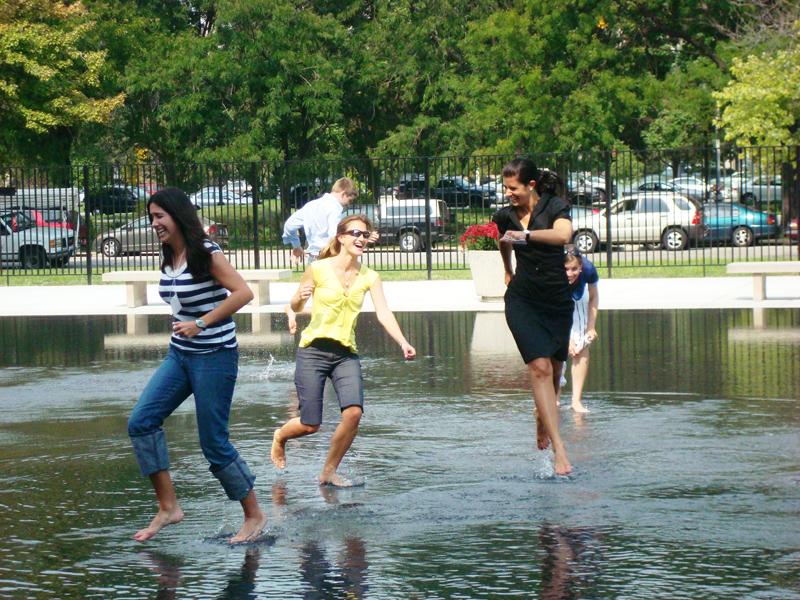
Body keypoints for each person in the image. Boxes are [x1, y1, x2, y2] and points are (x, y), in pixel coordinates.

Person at [127, 187, 266, 543]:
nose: (154, 223)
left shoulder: (206, 251)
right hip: (180, 355)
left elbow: (243, 293)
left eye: (159, 216)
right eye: (151, 217)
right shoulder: (169, 255)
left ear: (178, 216)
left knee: (213, 443)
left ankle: (253, 515)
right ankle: (169, 507)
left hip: (214, 356)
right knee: (142, 422)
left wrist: (201, 323)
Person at [271, 214, 416, 486]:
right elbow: (295, 305)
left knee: (353, 413)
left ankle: (328, 471)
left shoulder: (370, 277)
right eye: (355, 233)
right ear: (341, 237)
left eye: (364, 234)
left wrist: (403, 341)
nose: (360, 238)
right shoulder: (319, 268)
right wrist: (298, 300)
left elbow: (384, 312)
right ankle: (280, 436)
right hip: (314, 349)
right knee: (310, 424)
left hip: (345, 353)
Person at [493, 159, 574, 475]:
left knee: (554, 371)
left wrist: (525, 237)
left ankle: (542, 416)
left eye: (513, 188)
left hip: (555, 300)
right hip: (522, 299)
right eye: (506, 188)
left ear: (530, 185)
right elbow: (504, 240)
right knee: (538, 367)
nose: (509, 194)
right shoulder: (505, 216)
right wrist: (507, 269)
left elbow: (563, 235)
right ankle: (560, 450)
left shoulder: (554, 206)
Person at [281, 178, 359, 264]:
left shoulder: (311, 205)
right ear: (343, 194)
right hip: (329, 258)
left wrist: (296, 245)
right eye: (350, 200)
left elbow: (289, 226)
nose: (349, 204)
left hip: (313, 260)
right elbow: (334, 235)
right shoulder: (335, 208)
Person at [563, 248, 599, 413]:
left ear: (581, 267)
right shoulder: (553, 272)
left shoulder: (589, 269)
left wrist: (590, 327)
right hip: (554, 302)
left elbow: (593, 297)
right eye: (566, 269)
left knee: (581, 343)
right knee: (555, 348)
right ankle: (553, 398)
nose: (569, 273)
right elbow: (555, 310)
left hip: (579, 297)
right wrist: (566, 339)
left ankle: (576, 401)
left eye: (574, 269)